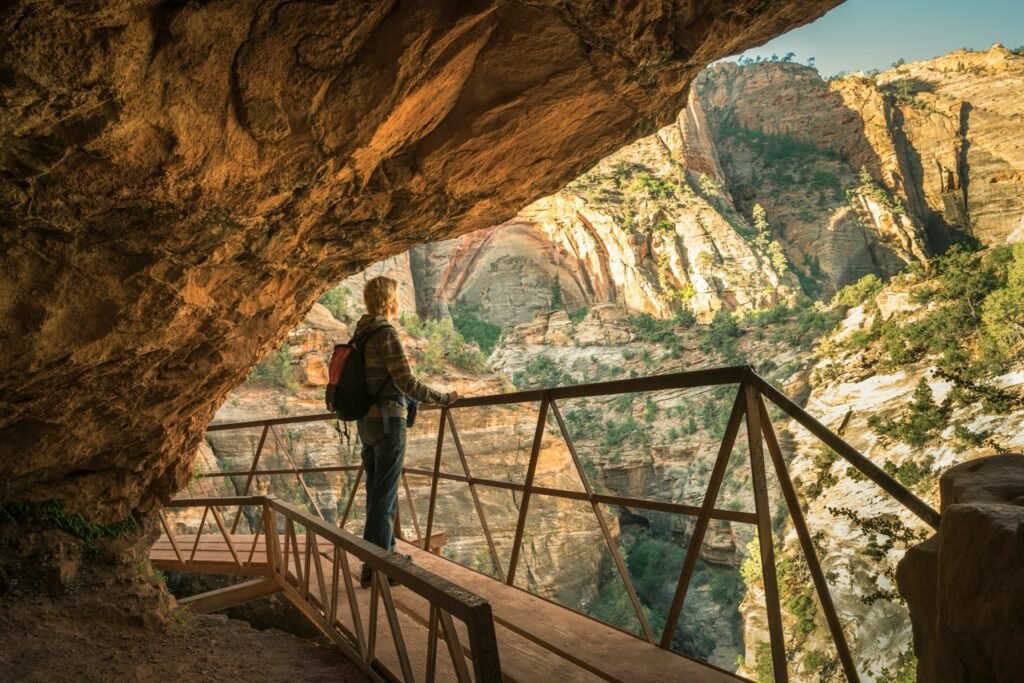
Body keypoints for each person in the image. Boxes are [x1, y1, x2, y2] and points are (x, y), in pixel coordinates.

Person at [354, 276, 458, 587]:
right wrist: (443, 398)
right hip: (389, 421)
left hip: (367, 422)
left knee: (377, 492)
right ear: (389, 301)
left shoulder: (361, 333)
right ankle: (377, 567)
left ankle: (381, 559)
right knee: (384, 496)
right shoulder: (385, 333)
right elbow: (406, 382)